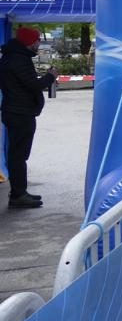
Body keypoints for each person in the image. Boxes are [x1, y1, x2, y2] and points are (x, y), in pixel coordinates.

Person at [0, 27, 57, 209]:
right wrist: (50, 77)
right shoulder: (18, 59)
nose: (38, 43)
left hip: (17, 111)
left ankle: (19, 192)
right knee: (18, 156)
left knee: (18, 155)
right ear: (29, 42)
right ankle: (18, 195)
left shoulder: (13, 57)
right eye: (37, 40)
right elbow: (32, 85)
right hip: (20, 113)